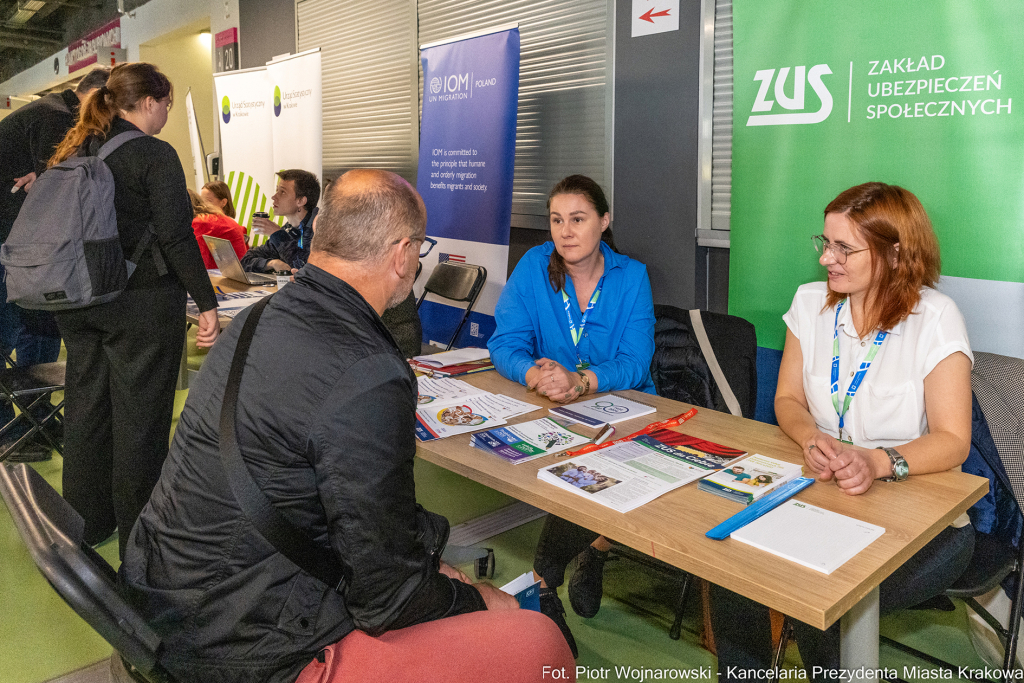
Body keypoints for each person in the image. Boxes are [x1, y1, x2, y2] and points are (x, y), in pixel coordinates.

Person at [120, 169, 574, 683]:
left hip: (163, 597)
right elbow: (389, 597)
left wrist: (427, 555)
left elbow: (346, 506)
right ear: (403, 253)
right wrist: (477, 599)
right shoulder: (369, 373)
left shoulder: (259, 317)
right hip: (243, 644)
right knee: (538, 644)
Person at [710, 182, 974, 682]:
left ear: (894, 253)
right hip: (824, 495)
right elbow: (786, 399)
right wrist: (811, 437)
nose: (827, 258)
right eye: (824, 243)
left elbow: (952, 439)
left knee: (819, 591)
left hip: (921, 516)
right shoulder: (811, 303)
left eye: (844, 248)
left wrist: (876, 461)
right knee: (733, 570)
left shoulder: (935, 318)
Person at [47, 62, 220, 557]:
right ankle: (141, 542)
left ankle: (85, 523)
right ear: (149, 102)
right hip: (140, 306)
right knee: (141, 424)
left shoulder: (79, 146)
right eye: (166, 102)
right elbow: (175, 235)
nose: (167, 111)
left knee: (86, 413)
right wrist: (204, 303)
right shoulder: (154, 154)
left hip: (78, 303)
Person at [488, 174, 656, 657]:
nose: (565, 231)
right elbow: (505, 342)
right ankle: (554, 579)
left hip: (627, 408)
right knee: (562, 465)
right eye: (556, 220)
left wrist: (580, 381)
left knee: (603, 468)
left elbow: (635, 362)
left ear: (603, 222)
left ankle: (579, 559)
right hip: (555, 408)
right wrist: (534, 375)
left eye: (578, 219)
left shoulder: (631, 276)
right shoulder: (533, 266)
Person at [0, 67, 110, 461]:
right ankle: (7, 432)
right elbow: (64, 183)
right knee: (6, 335)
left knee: (40, 326)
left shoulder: (53, 114)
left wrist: (42, 177)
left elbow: (51, 179)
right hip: (10, 249)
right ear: (94, 95)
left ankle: (37, 417)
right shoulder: (55, 117)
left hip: (25, 249)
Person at [241, 168, 318, 273]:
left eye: (282, 192)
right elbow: (245, 261)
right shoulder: (289, 228)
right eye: (277, 190)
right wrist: (272, 263)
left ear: (300, 201)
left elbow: (302, 268)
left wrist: (277, 234)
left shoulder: (320, 229)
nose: (274, 197)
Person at [188, 188, 248, 269]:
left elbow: (198, 264)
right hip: (237, 272)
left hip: (227, 276)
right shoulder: (214, 217)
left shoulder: (200, 222)